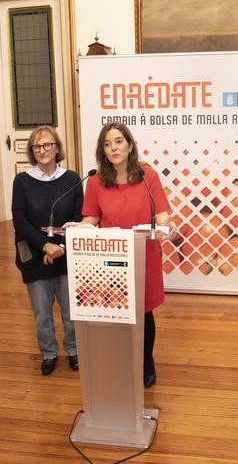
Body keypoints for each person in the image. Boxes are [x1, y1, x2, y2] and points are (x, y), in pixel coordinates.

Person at [74, 122, 173, 388]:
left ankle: (146, 363)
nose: (113, 148)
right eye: (107, 144)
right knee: (116, 315)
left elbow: (162, 212)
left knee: (144, 313)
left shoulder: (147, 175)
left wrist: (165, 225)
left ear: (129, 145)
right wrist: (79, 227)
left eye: (118, 141)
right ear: (102, 151)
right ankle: (120, 364)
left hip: (143, 254)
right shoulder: (95, 181)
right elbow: (92, 218)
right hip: (111, 258)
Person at [12, 125, 82, 375]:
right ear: (32, 151)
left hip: (66, 256)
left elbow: (79, 217)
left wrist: (60, 247)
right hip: (35, 256)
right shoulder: (22, 181)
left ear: (57, 147)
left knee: (71, 311)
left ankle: (74, 351)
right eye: (37, 146)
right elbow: (19, 220)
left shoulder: (73, 179)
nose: (42, 150)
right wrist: (45, 245)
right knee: (42, 313)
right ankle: (49, 353)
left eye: (47, 144)